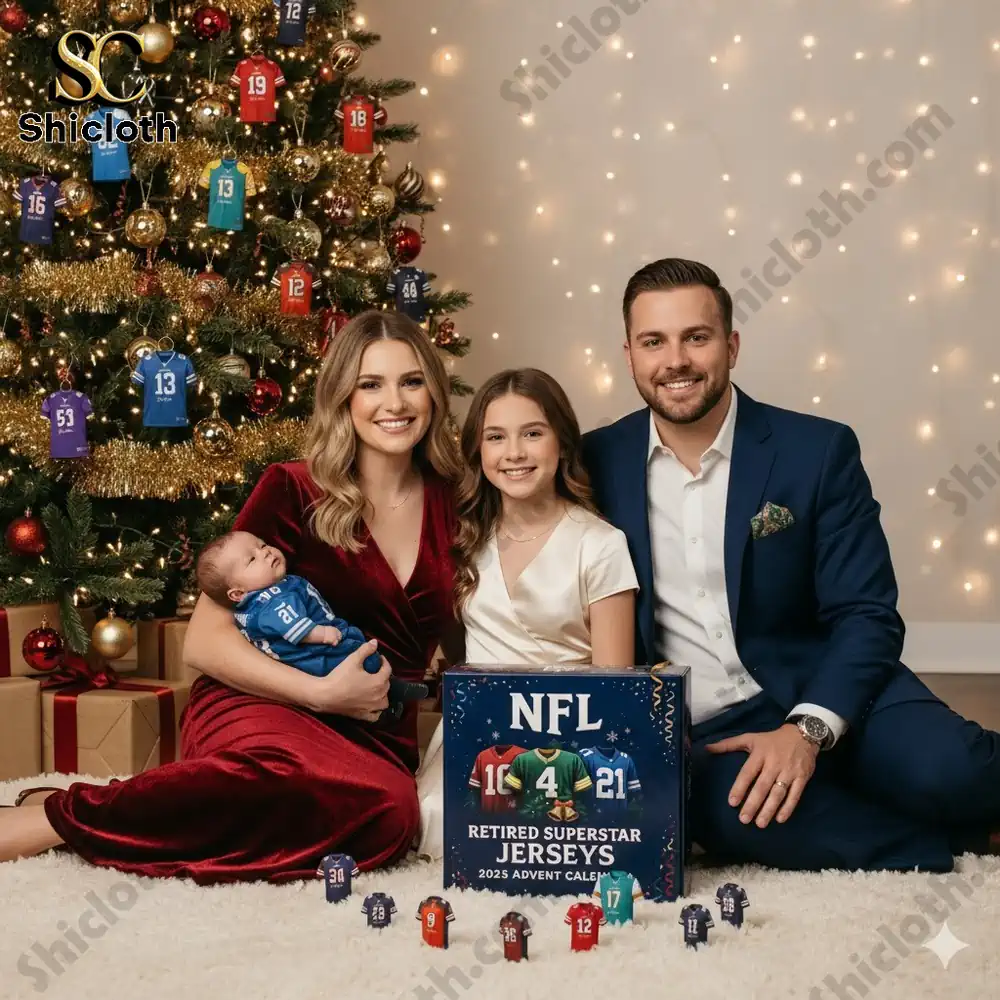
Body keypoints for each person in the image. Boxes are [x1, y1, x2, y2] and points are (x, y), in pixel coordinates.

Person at [0, 310, 463, 883]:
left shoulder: (457, 500)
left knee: (390, 813)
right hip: (262, 701)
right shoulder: (293, 487)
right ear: (343, 397)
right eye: (371, 384)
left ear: (434, 393)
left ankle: (114, 805)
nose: (394, 402)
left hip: (375, 727)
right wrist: (319, 694)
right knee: (288, 776)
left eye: (411, 381)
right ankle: (57, 818)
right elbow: (204, 641)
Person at [580, 257, 1000, 872]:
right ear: (629, 356)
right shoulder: (595, 462)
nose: (676, 361)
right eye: (654, 342)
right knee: (736, 814)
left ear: (731, 345)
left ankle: (938, 795)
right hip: (710, 725)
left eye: (696, 337)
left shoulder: (817, 450)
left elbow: (868, 615)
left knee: (949, 770)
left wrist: (806, 731)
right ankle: (968, 845)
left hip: (827, 682)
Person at [415, 368, 639, 857]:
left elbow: (615, 688)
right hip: (477, 737)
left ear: (561, 443)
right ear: (478, 450)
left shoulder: (601, 544)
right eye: (496, 437)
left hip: (568, 741)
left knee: (545, 832)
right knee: (437, 821)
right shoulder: (464, 539)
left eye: (532, 434)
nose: (514, 453)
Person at [194, 529, 428, 720]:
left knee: (361, 654)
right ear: (237, 593)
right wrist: (321, 633)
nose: (265, 553)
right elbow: (294, 627)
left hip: (315, 648)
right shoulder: (269, 603)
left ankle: (392, 694)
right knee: (358, 661)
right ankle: (388, 703)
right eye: (252, 559)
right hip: (311, 655)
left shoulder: (277, 587)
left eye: (263, 545)